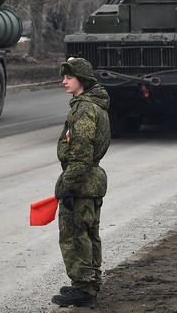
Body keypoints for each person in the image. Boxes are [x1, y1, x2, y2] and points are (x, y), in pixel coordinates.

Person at [51, 57, 111, 308]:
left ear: (82, 81)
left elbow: (81, 152)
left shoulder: (85, 109)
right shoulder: (92, 105)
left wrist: (68, 186)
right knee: (88, 234)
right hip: (90, 182)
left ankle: (84, 288)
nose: (64, 81)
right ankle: (87, 282)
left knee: (75, 235)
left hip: (82, 182)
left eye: (69, 78)